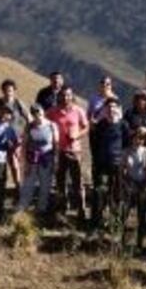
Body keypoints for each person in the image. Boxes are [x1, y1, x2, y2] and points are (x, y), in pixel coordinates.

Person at [45, 85, 89, 220]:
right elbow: (44, 124)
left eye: (68, 95)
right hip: (59, 151)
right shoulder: (52, 112)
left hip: (75, 151)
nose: (65, 97)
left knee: (78, 181)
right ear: (59, 96)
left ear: (72, 96)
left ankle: (81, 209)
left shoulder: (78, 111)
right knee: (60, 182)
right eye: (63, 95)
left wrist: (77, 135)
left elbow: (86, 126)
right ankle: (63, 207)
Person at [90, 97, 127, 227]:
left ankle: (116, 220)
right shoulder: (100, 125)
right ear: (105, 109)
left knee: (117, 192)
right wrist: (95, 160)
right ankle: (97, 220)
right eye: (109, 107)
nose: (111, 109)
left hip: (117, 163)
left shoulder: (123, 125)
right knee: (100, 191)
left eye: (114, 106)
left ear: (118, 109)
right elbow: (94, 143)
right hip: (101, 163)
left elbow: (126, 144)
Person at [16, 104, 58, 216]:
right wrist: (23, 162)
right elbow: (24, 144)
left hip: (46, 159)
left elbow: (55, 144)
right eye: (34, 113)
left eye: (39, 112)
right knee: (28, 185)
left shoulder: (51, 125)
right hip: (31, 159)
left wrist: (56, 160)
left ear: (43, 111)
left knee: (45, 185)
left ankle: (41, 209)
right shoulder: (29, 126)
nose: (37, 115)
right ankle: (22, 209)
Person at [0, 79, 30, 187]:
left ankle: (18, 186)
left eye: (10, 90)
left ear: (14, 91)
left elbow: (29, 118)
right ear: (2, 90)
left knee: (14, 163)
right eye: (6, 90)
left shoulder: (18, 103)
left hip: (15, 138)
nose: (8, 92)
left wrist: (25, 135)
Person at [119, 131, 146, 250]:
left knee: (141, 216)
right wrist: (125, 184)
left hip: (142, 185)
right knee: (124, 214)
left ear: (143, 140)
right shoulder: (126, 152)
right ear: (132, 139)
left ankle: (140, 243)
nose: (137, 141)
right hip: (129, 184)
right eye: (135, 138)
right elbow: (121, 170)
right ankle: (122, 241)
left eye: (140, 139)